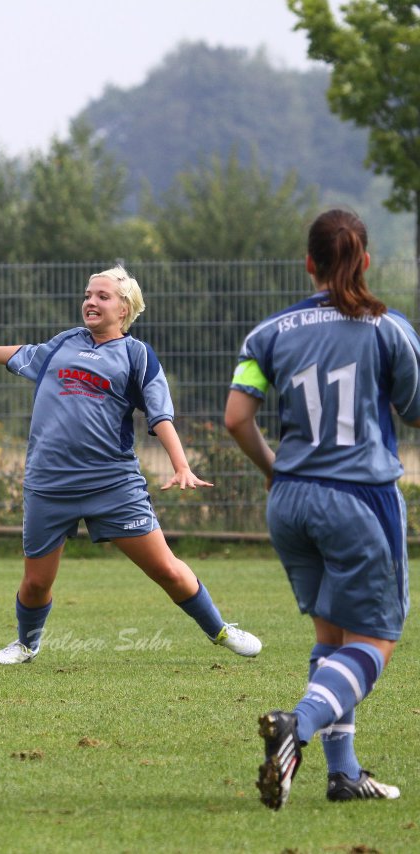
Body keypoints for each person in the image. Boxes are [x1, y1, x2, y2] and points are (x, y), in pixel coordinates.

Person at [0, 265, 262, 667]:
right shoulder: (65, 342)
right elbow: (23, 353)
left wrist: (181, 465)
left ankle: (219, 630)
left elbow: (160, 415)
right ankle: (27, 644)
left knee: (167, 571)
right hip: (49, 484)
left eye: (103, 296)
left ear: (124, 308)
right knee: (35, 582)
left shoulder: (137, 355)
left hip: (112, 485)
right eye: (88, 295)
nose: (91, 301)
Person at [225, 209, 418, 810]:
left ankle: (345, 773)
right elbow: (415, 411)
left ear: (309, 263)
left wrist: (274, 471)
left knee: (332, 635)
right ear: (365, 261)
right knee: (376, 637)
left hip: (290, 501)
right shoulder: (388, 328)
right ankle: (297, 726)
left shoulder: (268, 333)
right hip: (358, 498)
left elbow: (236, 418)